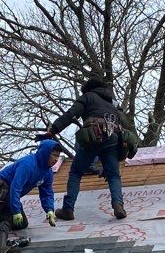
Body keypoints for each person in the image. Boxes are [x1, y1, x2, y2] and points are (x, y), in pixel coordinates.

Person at [47, 77, 133, 220]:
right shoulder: (112, 103)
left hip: (95, 136)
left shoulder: (88, 97)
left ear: (88, 89)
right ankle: (118, 205)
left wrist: (53, 130)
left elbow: (71, 114)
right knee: (113, 176)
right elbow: (125, 125)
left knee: (75, 172)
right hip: (113, 139)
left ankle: (68, 209)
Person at [0, 139, 60, 241]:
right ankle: (0, 243)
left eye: (58, 156)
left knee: (22, 223)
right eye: (54, 155)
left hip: (11, 193)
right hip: (1, 190)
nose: (56, 159)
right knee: (8, 218)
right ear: (45, 153)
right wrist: (16, 210)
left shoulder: (47, 172)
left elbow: (47, 192)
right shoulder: (27, 165)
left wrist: (49, 210)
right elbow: (15, 187)